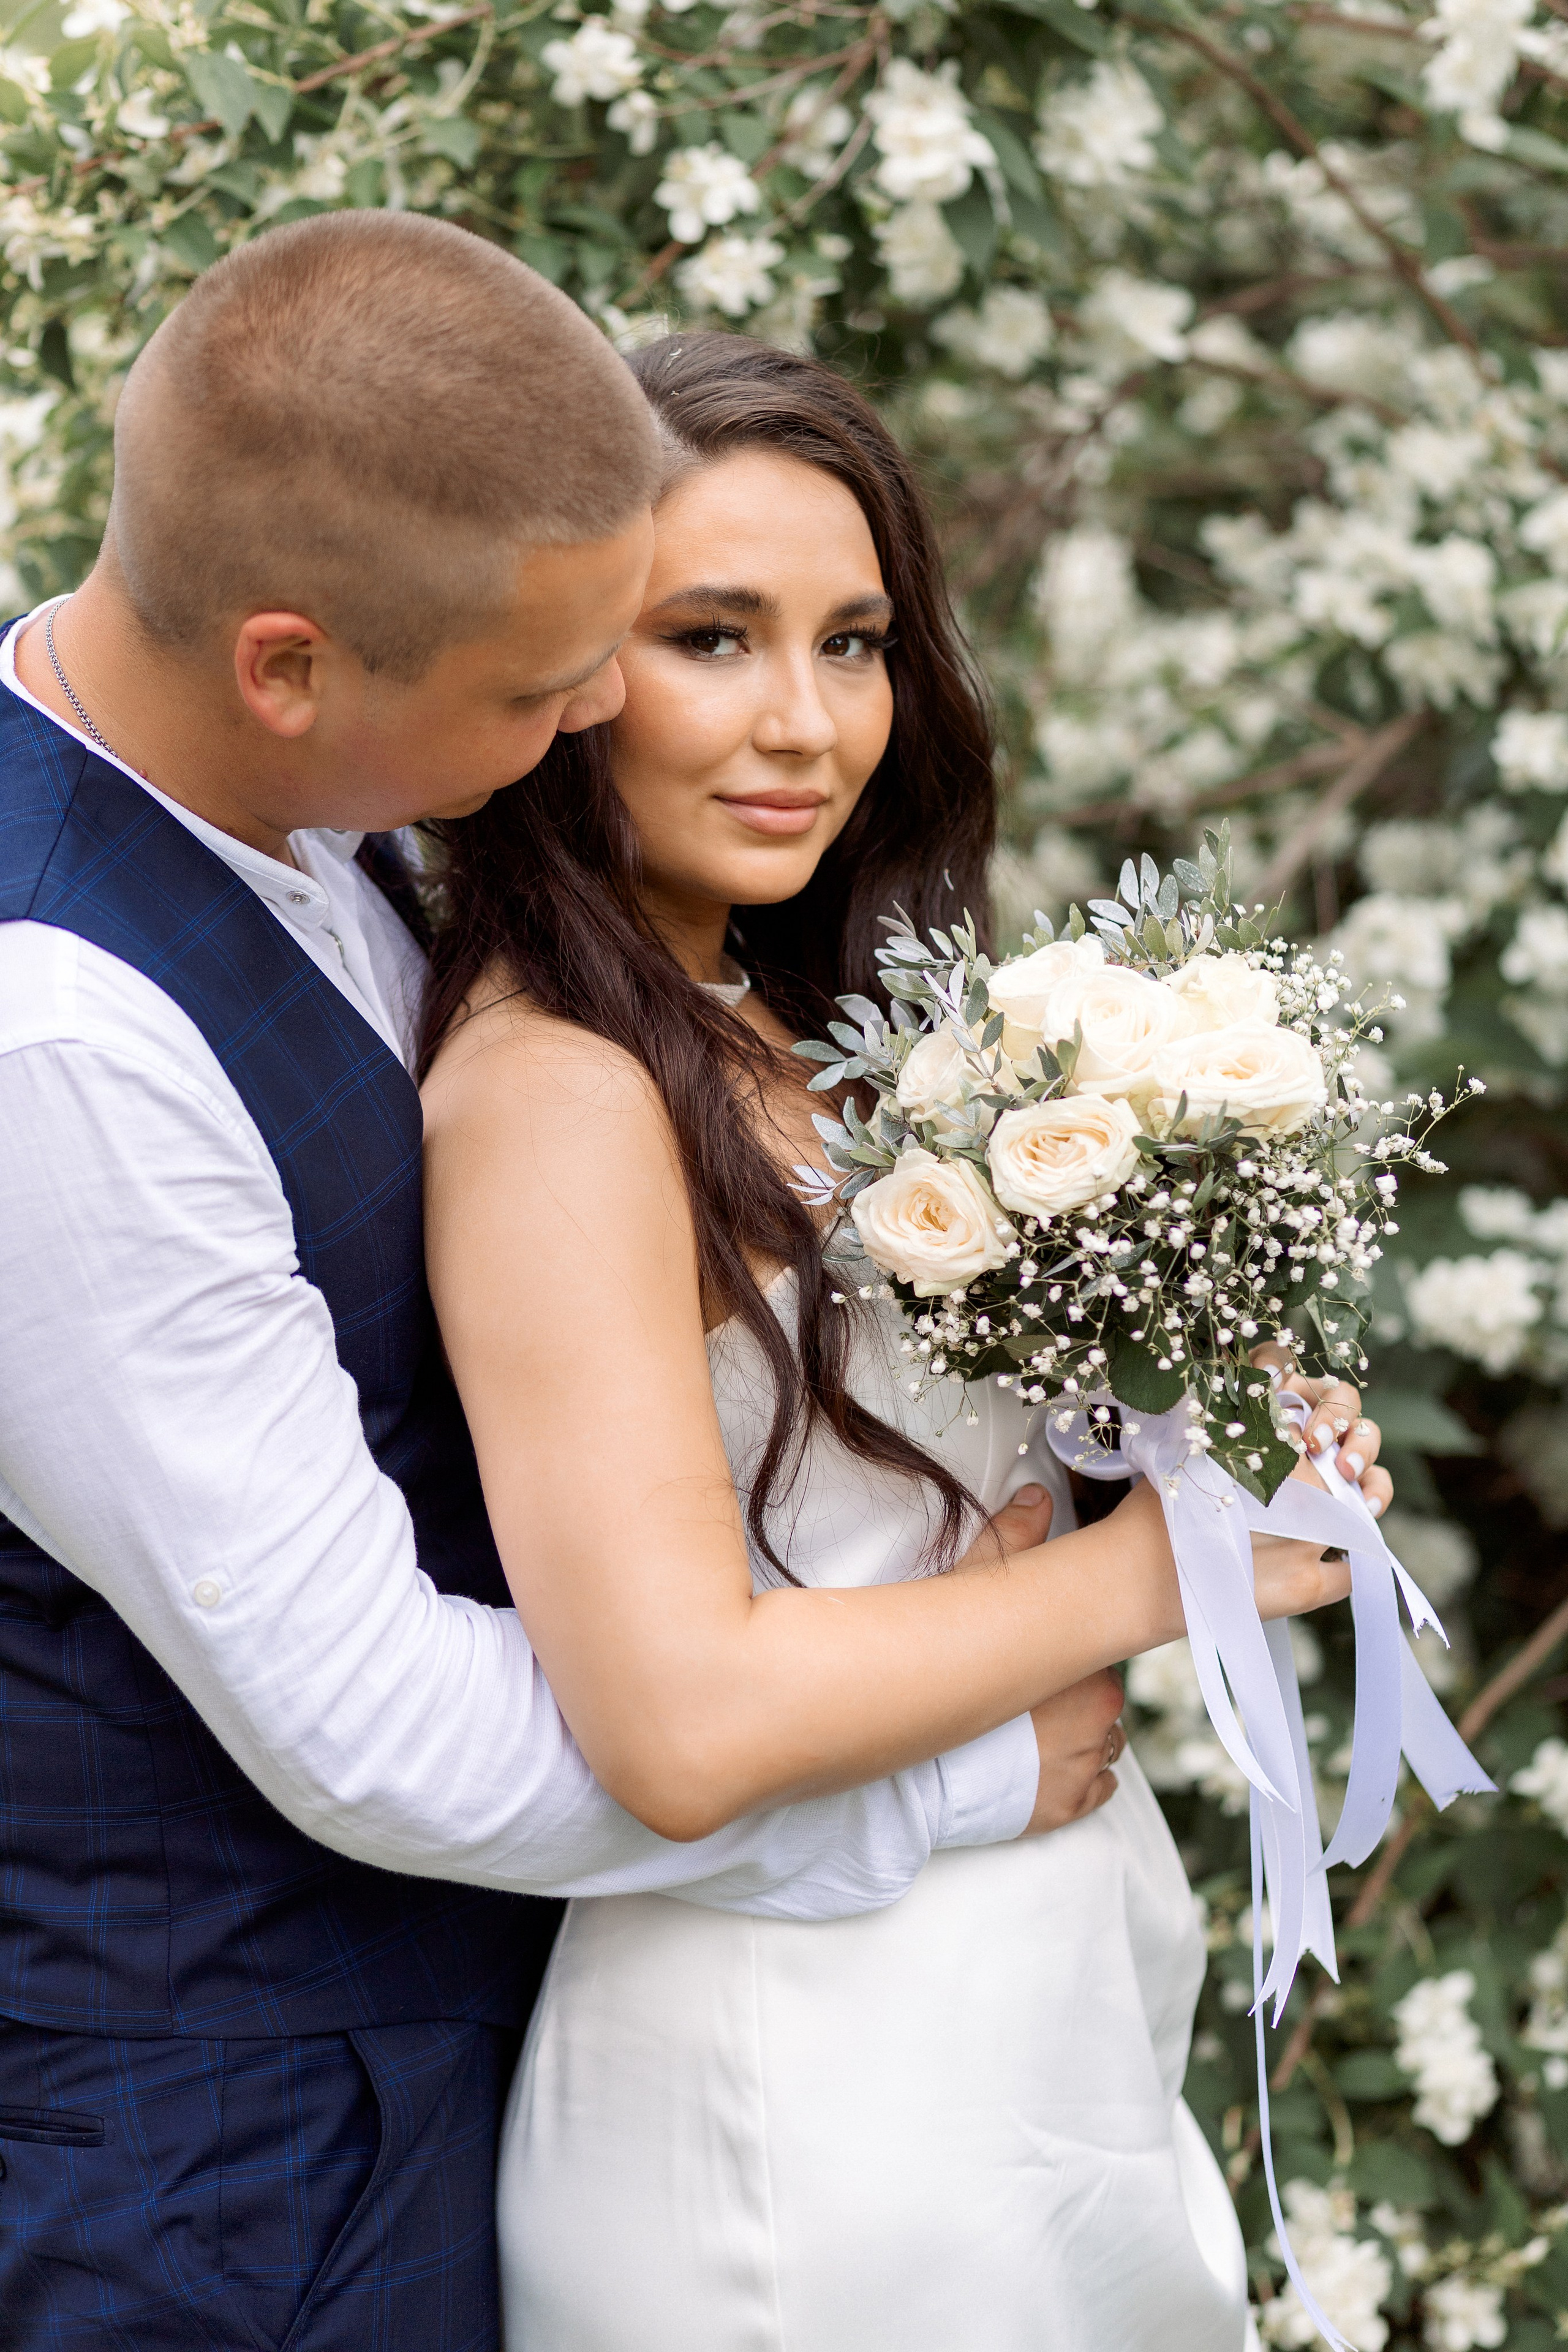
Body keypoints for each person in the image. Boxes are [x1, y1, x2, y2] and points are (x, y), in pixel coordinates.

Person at [0, 216, 1158, 2352]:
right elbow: (385, 1738)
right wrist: (980, 1756)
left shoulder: (315, 797)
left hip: (507, 2036)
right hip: (226, 2161)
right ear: (290, 661)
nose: (601, 714)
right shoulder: (61, 1043)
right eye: (556, 685)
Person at [418, 332, 1392, 2351]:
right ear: (561, 668)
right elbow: (678, 1718)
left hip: (1011, 2008)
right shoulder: (560, 1093)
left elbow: (906, 1499)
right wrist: (1155, 1580)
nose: (806, 723)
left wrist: (1202, 1446)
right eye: (712, 637)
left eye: (852, 642)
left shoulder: (781, 1020)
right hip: (798, 2092)